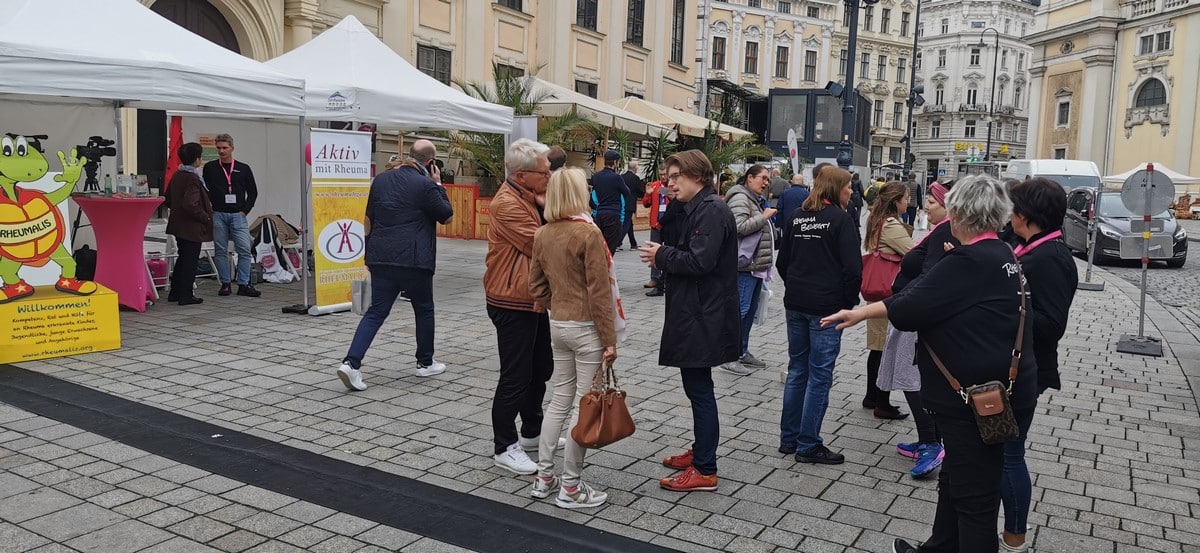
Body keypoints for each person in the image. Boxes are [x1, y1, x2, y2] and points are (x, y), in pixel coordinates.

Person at [822, 175, 1038, 553]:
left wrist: (858, 313)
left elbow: (908, 309)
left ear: (957, 214)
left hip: (971, 399)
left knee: (975, 502)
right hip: (998, 390)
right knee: (956, 479)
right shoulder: (1003, 253)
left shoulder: (968, 260)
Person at [638, 150, 739, 492]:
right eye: (668, 176)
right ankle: (700, 451)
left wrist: (660, 255)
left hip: (703, 314)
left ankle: (705, 468)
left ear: (698, 176)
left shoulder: (712, 210)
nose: (669, 182)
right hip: (697, 310)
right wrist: (673, 206)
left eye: (676, 177)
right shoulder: (696, 208)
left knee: (700, 391)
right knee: (697, 388)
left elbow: (700, 262)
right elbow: (673, 232)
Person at [526, 167, 620, 509]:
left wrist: (556, 303)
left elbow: (535, 286)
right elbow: (599, 293)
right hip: (586, 327)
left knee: (558, 400)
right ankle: (571, 487)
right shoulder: (588, 234)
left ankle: (544, 477)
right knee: (585, 406)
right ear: (579, 194)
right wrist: (609, 339)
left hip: (559, 324)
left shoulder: (543, 233)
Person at [335, 139, 453, 391]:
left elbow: (368, 219)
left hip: (381, 257)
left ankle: (351, 363)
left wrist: (369, 254)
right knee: (424, 309)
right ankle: (425, 362)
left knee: (376, 312)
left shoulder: (380, 180)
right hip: (414, 259)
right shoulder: (425, 185)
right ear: (430, 162)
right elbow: (446, 215)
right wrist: (439, 185)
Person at [999, 177, 1077, 553]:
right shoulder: (1029, 247)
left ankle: (1015, 537)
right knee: (1005, 452)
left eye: (1014, 209)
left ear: (1027, 215)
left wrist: (1001, 312)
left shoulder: (1050, 258)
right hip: (1017, 367)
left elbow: (1051, 325)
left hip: (1026, 371)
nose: (1009, 215)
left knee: (1009, 454)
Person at [484, 138, 562, 475]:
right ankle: (504, 446)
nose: (550, 177)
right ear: (522, 175)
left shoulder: (528, 195)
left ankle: (532, 430)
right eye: (545, 173)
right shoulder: (507, 204)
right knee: (515, 375)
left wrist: (545, 203)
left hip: (531, 298)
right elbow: (542, 245)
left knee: (541, 367)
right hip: (510, 298)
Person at [775, 166, 861, 465]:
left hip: (796, 303)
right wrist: (847, 304)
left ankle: (789, 438)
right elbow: (853, 269)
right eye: (848, 186)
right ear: (836, 188)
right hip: (827, 308)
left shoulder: (797, 216)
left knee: (798, 369)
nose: (851, 191)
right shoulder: (841, 219)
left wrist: (798, 286)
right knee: (820, 375)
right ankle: (808, 443)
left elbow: (782, 263)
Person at [879, 180, 957, 479]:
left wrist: (906, 306)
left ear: (948, 206)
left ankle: (930, 442)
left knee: (912, 378)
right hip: (916, 311)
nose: (926, 207)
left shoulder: (946, 230)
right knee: (915, 376)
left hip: (917, 314)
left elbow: (930, 277)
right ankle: (929, 438)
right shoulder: (942, 230)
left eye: (932, 203)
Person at [862, 182, 914, 420]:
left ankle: (871, 395)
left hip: (875, 291)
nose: (908, 202)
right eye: (906, 198)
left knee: (877, 346)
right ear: (896, 202)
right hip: (887, 291)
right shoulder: (891, 225)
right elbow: (912, 253)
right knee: (884, 347)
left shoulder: (876, 220)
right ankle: (882, 402)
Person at [721, 164, 776, 375]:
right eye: (762, 178)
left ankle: (741, 351)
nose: (766, 183)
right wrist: (764, 217)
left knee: (749, 311)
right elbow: (738, 227)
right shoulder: (740, 198)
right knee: (740, 312)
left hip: (753, 265)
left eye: (768, 179)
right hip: (743, 266)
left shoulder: (752, 199)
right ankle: (729, 356)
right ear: (749, 178)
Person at [202, 133, 261, 298]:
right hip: (218, 214)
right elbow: (205, 190)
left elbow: (253, 192)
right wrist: (210, 207)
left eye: (225, 148)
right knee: (220, 250)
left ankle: (244, 283)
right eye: (219, 148)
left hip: (237, 214)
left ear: (232, 148)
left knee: (244, 249)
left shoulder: (243, 168)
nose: (221, 151)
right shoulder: (210, 168)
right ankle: (225, 284)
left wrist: (245, 210)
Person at [165, 142, 213, 306]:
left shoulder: (177, 175)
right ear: (197, 160)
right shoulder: (192, 178)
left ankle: (175, 291)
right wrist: (205, 217)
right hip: (191, 226)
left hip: (178, 225)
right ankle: (186, 294)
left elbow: (168, 198)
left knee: (183, 258)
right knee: (190, 260)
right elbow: (191, 204)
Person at [590, 150, 629, 253]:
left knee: (600, 246)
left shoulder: (596, 177)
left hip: (599, 214)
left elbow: (591, 193)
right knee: (610, 248)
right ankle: (605, 267)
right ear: (615, 163)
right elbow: (627, 193)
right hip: (613, 214)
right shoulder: (616, 178)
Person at [641, 167, 669, 295]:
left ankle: (667, 278)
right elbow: (646, 204)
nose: (663, 176)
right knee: (654, 251)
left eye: (665, 174)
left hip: (668, 224)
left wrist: (667, 192)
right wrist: (648, 193)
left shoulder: (673, 186)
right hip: (655, 223)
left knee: (668, 250)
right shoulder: (655, 185)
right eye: (661, 174)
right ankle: (655, 278)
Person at [621, 161, 644, 249]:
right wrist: (645, 195)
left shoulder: (622, 177)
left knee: (629, 223)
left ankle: (633, 243)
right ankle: (618, 242)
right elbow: (639, 191)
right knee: (626, 224)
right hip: (630, 204)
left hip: (622, 203)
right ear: (634, 168)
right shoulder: (635, 178)